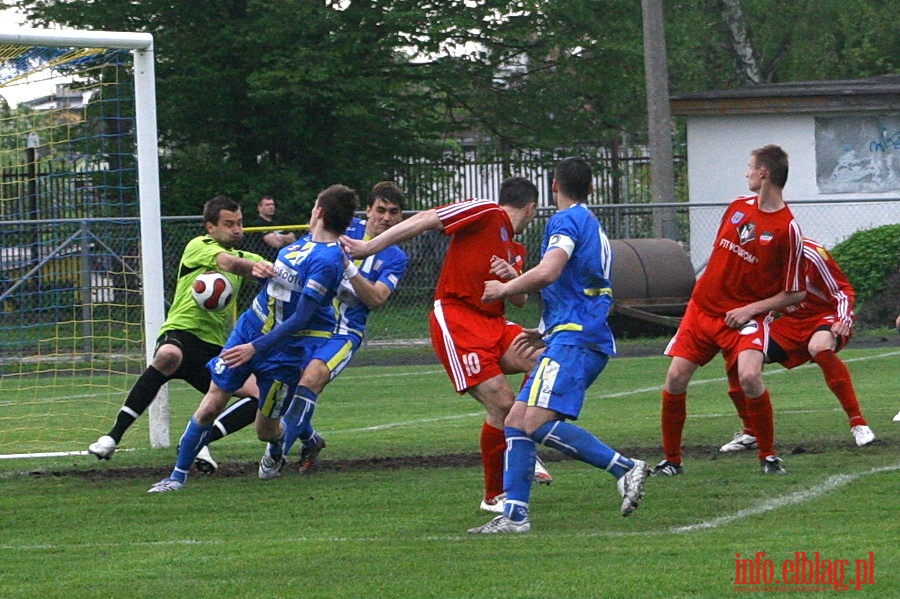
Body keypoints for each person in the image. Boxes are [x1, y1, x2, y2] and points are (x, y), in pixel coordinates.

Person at [342, 176, 552, 513]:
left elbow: (521, 300)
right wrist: (369, 247)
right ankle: (494, 495)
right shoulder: (485, 211)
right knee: (501, 402)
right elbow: (428, 218)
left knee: (545, 360)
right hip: (458, 319)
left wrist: (513, 279)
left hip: (494, 323)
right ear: (531, 208)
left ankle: (521, 440)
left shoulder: (514, 247)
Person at [468, 157, 650, 534]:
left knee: (531, 423)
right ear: (591, 188)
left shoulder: (566, 220)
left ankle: (624, 467)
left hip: (578, 339)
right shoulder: (589, 221)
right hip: (570, 335)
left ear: (554, 186)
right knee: (516, 421)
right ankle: (515, 515)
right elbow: (573, 286)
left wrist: (505, 288)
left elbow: (550, 270)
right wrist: (543, 331)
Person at [147, 184, 358, 492]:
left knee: (266, 430)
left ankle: (277, 449)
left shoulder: (327, 261)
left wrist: (254, 348)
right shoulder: (298, 246)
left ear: (319, 212)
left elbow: (302, 317)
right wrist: (263, 270)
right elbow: (279, 289)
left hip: (282, 351)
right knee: (210, 405)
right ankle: (176, 477)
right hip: (249, 329)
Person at [193, 181, 409, 475]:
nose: (386, 217)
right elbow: (311, 249)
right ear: (367, 210)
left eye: (393, 213)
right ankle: (308, 439)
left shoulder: (396, 256)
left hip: (343, 332)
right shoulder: (345, 229)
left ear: (400, 218)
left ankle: (273, 452)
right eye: (380, 210)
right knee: (281, 389)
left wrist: (349, 267)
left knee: (311, 377)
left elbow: (376, 298)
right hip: (306, 324)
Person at [654, 144, 805, 477]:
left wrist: (750, 309)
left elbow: (795, 292)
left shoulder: (787, 229)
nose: (746, 172)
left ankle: (768, 456)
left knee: (749, 376)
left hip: (745, 317)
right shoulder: (737, 206)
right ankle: (671, 461)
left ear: (763, 173)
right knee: (676, 378)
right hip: (702, 311)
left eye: (750, 167)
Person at [87, 196, 273, 460]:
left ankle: (198, 440)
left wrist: (275, 270)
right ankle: (111, 437)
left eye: (240, 223)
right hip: (181, 333)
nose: (237, 229)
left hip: (213, 348)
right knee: (168, 356)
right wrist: (258, 268)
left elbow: (264, 269)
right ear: (211, 227)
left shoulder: (248, 256)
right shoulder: (199, 245)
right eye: (229, 224)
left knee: (261, 394)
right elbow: (228, 264)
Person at [719, 237, 875, 451]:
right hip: (790, 323)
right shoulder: (753, 259)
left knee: (819, 347)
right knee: (738, 353)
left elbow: (841, 291)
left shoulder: (811, 253)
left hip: (824, 315)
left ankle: (858, 422)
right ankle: (751, 432)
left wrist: (843, 319)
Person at [244, 195, 298, 262]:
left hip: (281, 260)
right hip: (265, 260)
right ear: (259, 208)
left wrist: (279, 237)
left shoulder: (277, 223)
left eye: (272, 204)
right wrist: (285, 238)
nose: (271, 207)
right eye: (267, 205)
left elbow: (292, 239)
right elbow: (275, 243)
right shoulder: (258, 224)